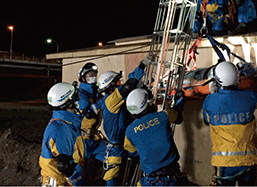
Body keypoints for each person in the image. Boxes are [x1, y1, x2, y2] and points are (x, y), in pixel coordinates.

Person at [202, 61, 257, 186]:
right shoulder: (249, 96)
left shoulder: (210, 101)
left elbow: (207, 121)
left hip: (224, 165)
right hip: (247, 162)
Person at [83, 54, 152, 186]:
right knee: (114, 177)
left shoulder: (108, 100)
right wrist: (142, 65)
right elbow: (128, 86)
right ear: (111, 86)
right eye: (118, 82)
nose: (120, 84)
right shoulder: (112, 99)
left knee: (122, 175)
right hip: (117, 147)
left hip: (122, 144)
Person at [123, 88, 188, 186]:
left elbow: (133, 154)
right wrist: (181, 99)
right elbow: (178, 116)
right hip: (170, 179)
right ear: (147, 103)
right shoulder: (163, 116)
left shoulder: (129, 131)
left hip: (149, 181)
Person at [39, 82, 87, 186]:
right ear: (68, 103)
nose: (77, 101)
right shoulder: (60, 129)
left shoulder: (64, 123)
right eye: (75, 98)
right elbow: (65, 167)